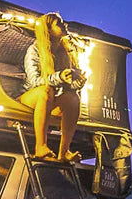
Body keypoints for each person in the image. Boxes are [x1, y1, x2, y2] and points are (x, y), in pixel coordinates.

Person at [19, 12, 85, 162]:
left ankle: (64, 152)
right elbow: (35, 81)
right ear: (48, 29)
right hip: (29, 97)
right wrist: (59, 77)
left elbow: (68, 85)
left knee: (73, 98)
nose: (64, 25)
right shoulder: (34, 51)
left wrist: (77, 83)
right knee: (45, 90)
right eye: (59, 23)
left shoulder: (65, 54)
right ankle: (40, 147)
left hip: (50, 100)